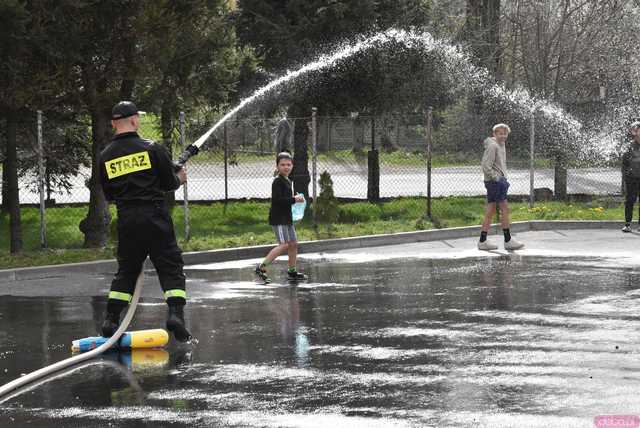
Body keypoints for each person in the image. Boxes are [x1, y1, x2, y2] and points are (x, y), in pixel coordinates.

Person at [99, 101, 191, 342]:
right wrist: (179, 178)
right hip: (155, 216)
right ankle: (175, 315)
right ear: (134, 120)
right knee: (170, 265)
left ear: (112, 123)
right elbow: (169, 184)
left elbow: (109, 194)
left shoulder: (105, 156)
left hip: (127, 219)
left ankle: (111, 319)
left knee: (127, 269)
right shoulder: (152, 148)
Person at [255, 152, 307, 283]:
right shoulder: (277, 181)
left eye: (288, 164)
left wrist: (295, 200)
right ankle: (261, 267)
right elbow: (278, 200)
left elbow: (287, 200)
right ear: (277, 166)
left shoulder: (288, 180)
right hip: (279, 219)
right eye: (282, 165)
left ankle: (292, 271)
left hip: (287, 218)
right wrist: (294, 199)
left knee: (294, 244)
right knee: (284, 245)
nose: (286, 167)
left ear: (292, 165)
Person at [477, 123, 524, 251]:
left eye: (505, 133)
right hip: (495, 182)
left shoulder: (501, 144)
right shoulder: (493, 146)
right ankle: (508, 240)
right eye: (500, 133)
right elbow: (486, 166)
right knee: (505, 209)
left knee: (491, 210)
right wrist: (497, 178)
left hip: (496, 181)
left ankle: (482, 241)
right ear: (494, 134)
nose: (503, 135)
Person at [621, 121, 640, 232]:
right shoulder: (629, 146)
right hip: (632, 178)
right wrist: (626, 176)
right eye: (638, 130)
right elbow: (624, 164)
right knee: (630, 200)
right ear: (634, 132)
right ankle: (627, 224)